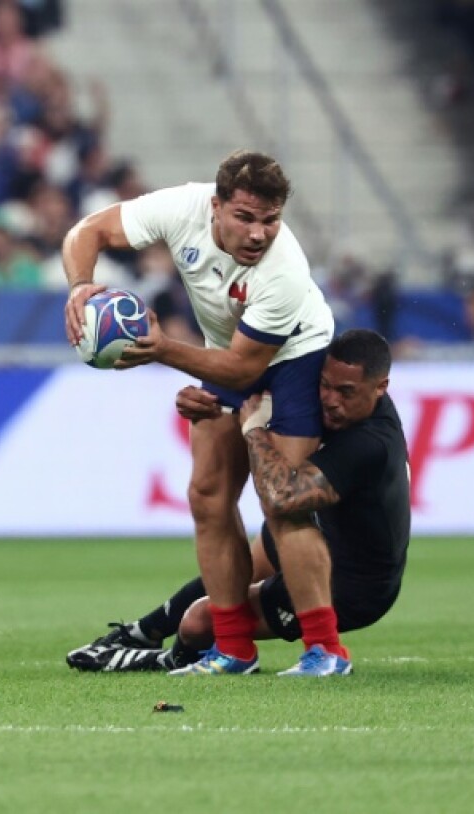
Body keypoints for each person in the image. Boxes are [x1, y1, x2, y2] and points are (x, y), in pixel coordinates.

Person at [61, 150, 341, 677]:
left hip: (293, 359)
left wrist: (163, 350)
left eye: (270, 220)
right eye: (246, 217)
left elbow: (242, 369)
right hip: (226, 352)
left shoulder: (284, 272)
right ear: (215, 207)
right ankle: (233, 649)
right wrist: (80, 285)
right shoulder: (180, 208)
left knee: (282, 502)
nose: (259, 233)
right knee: (207, 496)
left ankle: (326, 651)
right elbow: (88, 230)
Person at [65, 330, 411, 677]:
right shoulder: (336, 403)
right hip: (323, 535)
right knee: (230, 578)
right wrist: (205, 400)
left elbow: (283, 497)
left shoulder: (371, 444)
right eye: (325, 385)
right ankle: (141, 633)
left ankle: (166, 659)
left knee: (199, 621)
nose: (331, 400)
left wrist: (253, 430)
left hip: (353, 585)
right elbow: (249, 386)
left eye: (345, 392)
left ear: (380, 387)